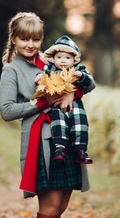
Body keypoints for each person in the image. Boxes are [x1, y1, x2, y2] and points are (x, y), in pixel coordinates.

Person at [0, 12, 95, 218]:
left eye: (36, 39)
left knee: (60, 205)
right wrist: (40, 103)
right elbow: (6, 111)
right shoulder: (12, 70)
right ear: (14, 39)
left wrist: (72, 94)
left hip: (66, 138)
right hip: (41, 143)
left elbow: (87, 82)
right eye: (24, 39)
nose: (30, 44)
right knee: (50, 206)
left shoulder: (53, 60)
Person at [36, 34, 93, 165]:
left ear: (74, 60)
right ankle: (59, 149)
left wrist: (81, 77)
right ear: (53, 58)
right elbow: (43, 78)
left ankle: (81, 150)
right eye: (59, 57)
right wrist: (39, 78)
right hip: (57, 104)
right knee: (58, 123)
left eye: (67, 58)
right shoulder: (50, 69)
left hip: (75, 105)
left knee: (80, 124)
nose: (63, 61)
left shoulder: (78, 69)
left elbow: (89, 82)